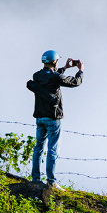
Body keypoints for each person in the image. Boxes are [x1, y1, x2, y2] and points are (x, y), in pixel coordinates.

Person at [26, 50, 84, 187]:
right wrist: (80, 70)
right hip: (53, 117)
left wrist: (64, 68)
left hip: (39, 117)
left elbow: (52, 76)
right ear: (54, 61)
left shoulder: (36, 76)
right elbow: (75, 82)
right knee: (53, 149)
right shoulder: (55, 77)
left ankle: (35, 179)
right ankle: (51, 181)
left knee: (38, 148)